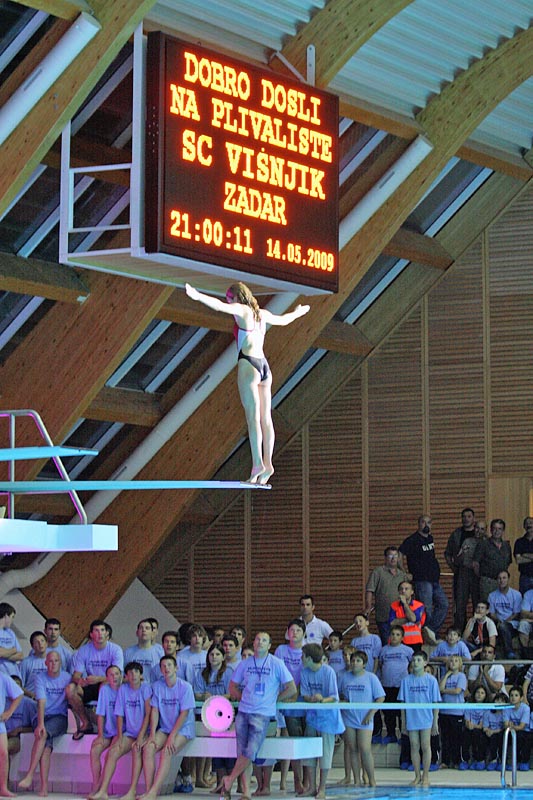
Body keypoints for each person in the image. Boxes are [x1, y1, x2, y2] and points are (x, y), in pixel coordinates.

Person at [185, 282, 310, 484]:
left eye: (230, 299)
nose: (229, 303)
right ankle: (268, 464)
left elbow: (219, 306)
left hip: (249, 365)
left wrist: (197, 296)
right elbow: (284, 320)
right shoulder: (262, 314)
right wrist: (297, 313)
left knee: (253, 419)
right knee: (266, 419)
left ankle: (257, 464)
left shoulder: (243, 311)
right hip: (264, 368)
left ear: (236, 298)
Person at [219, 631, 296, 799]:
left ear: (269, 646)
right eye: (258, 639)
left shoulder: (276, 663)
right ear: (253, 643)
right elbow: (232, 686)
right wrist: (242, 698)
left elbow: (291, 688)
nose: (260, 642)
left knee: (251, 751)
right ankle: (246, 792)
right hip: (244, 712)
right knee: (242, 752)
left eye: (264, 640)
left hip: (262, 714)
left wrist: (274, 700)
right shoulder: (245, 664)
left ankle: (229, 779)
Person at [89, 662, 151, 800]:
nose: (133, 675)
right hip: (128, 733)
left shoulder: (146, 688)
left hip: (143, 733)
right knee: (112, 752)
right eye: (130, 673)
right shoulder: (123, 689)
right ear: (126, 676)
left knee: (136, 750)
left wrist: (141, 736)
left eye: (136, 672)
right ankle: (102, 791)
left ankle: (132, 791)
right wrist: (120, 737)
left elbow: (148, 714)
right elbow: (119, 715)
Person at [139, 656, 196, 800]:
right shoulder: (157, 686)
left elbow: (184, 714)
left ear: (176, 668)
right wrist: (152, 734)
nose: (166, 668)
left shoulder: (185, 687)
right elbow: (155, 711)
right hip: (165, 728)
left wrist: (172, 736)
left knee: (166, 751)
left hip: (183, 729)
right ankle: (148, 790)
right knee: (148, 748)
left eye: (169, 665)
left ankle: (154, 791)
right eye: (163, 666)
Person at [17, 651, 71, 795]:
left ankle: (29, 775)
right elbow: (41, 701)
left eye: (56, 661)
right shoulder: (40, 678)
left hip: (59, 717)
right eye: (50, 661)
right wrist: (40, 723)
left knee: (43, 735)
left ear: (60, 662)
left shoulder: (67, 677)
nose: (53, 664)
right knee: (46, 746)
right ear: (46, 663)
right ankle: (44, 787)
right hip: (42, 715)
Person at [299, 643, 345, 799]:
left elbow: (334, 697)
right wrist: (311, 698)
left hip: (328, 718)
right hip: (312, 717)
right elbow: (305, 694)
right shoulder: (304, 672)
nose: (301, 658)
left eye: (303, 656)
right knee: (309, 752)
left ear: (309, 658)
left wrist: (321, 699)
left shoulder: (328, 671)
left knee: (325, 753)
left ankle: (322, 788)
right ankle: (311, 787)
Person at [66, 619, 124, 739]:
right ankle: (86, 722)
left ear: (107, 633)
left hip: (109, 683)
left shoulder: (115, 649)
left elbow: (117, 676)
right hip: (90, 684)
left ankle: (108, 726)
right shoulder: (84, 650)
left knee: (104, 686)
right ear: (91, 635)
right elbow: (76, 675)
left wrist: (98, 679)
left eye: (102, 630)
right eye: (96, 631)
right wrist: (80, 681)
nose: (100, 633)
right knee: (70, 689)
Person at [338, 650, 384, 787]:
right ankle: (356, 780)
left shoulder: (371, 678)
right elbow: (339, 695)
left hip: (365, 718)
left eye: (358, 661)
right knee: (352, 749)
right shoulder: (345, 677)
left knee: (365, 749)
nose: (354, 663)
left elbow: (380, 698)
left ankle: (372, 780)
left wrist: (371, 714)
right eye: (353, 660)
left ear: (364, 664)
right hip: (349, 717)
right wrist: (343, 701)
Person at [399, 515, 448, 640]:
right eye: (423, 522)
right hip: (421, 580)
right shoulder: (412, 539)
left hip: (434, 579)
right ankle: (427, 636)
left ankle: (430, 630)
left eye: (429, 522)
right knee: (427, 609)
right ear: (418, 524)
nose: (426, 525)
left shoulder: (430, 538)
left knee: (443, 604)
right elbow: (400, 554)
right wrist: (405, 573)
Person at [398, 650, 440, 787]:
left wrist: (435, 722)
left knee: (426, 746)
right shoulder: (406, 681)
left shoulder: (431, 680)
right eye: (414, 660)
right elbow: (403, 704)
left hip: (426, 718)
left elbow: (435, 703)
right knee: (414, 746)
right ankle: (417, 776)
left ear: (425, 663)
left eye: (419, 660)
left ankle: (426, 776)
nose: (415, 663)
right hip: (412, 718)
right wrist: (403, 723)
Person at [274, 619, 306, 795]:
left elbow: (307, 674)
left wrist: (296, 692)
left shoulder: (307, 650)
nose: (294, 633)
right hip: (284, 700)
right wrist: (286, 694)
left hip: (302, 700)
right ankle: (291, 780)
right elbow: (277, 674)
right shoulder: (281, 650)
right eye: (291, 630)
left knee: (302, 742)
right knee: (290, 741)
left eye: (298, 630)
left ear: (304, 633)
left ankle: (304, 781)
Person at [444, 508, 481, 632]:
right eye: (464, 516)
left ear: (473, 518)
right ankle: (459, 632)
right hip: (462, 572)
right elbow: (448, 553)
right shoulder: (456, 534)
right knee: (460, 604)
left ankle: (477, 633)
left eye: (469, 516)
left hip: (477, 574)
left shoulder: (480, 533)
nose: (466, 519)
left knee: (478, 603)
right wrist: (454, 568)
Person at [89, 664, 123, 796]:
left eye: (117, 674)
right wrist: (100, 735)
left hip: (122, 731)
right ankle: (96, 784)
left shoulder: (125, 690)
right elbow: (101, 714)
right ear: (107, 678)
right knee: (94, 750)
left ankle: (101, 788)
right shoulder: (104, 690)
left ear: (121, 676)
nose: (114, 677)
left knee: (110, 754)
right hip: (108, 732)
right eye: (111, 675)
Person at [376, 625, 413, 745]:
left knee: (402, 712)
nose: (394, 637)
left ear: (402, 637)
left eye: (397, 635)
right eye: (392, 634)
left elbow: (412, 665)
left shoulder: (408, 650)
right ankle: (391, 734)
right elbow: (381, 665)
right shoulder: (383, 650)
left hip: (401, 686)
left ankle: (404, 735)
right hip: (387, 686)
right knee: (388, 712)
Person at [365, 546, 409, 645]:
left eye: (395, 556)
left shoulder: (402, 575)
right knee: (387, 643)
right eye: (390, 556)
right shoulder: (378, 572)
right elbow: (369, 590)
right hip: (384, 615)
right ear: (385, 558)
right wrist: (368, 607)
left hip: (400, 617)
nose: (393, 558)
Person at [472, 518, 512, 601]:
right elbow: (475, 564)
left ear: (503, 531)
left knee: (501, 606)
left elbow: (508, 562)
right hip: (488, 582)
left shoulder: (506, 546)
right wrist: (483, 577)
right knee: (487, 606)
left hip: (502, 582)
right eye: (494, 528)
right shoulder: (483, 544)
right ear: (490, 530)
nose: (497, 531)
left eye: (499, 529)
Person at [438, 655, 467, 769]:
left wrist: (445, 690)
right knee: (445, 738)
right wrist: (446, 675)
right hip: (444, 711)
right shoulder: (445, 676)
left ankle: (456, 761)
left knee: (456, 738)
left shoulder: (461, 676)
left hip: (457, 712)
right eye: (451, 661)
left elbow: (457, 691)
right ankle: (445, 761)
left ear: (460, 664)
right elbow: (439, 689)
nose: (453, 663)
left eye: (456, 661)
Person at [487, 569, 522, 658]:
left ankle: (509, 652)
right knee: (499, 627)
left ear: (508, 579)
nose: (502, 580)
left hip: (512, 624)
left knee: (503, 627)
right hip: (498, 623)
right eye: (499, 578)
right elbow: (492, 614)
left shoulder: (516, 595)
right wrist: (499, 621)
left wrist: (505, 622)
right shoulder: (492, 596)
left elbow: (516, 613)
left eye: (504, 578)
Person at [0, 670, 23, 797]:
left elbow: (19, 694)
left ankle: (3, 787)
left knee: (3, 754)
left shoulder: (2, 677)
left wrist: (9, 712)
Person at [388, 580, 426, 650]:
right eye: (401, 589)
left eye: (406, 589)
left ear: (412, 592)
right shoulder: (394, 605)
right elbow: (392, 622)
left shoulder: (419, 605)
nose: (403, 591)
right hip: (398, 641)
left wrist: (405, 604)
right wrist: (409, 618)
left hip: (415, 641)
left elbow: (414, 619)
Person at [503, 685, 530, 770]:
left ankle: (523, 761)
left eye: (516, 695)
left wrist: (512, 726)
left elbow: (522, 726)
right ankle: (503, 762)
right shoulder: (506, 708)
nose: (513, 698)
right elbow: (505, 724)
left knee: (523, 737)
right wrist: (510, 726)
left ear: (521, 698)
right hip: (511, 731)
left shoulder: (525, 708)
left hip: (524, 731)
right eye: (511, 695)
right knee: (501, 736)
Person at [462, 685, 489, 770]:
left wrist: (472, 725)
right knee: (465, 735)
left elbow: (481, 725)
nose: (479, 695)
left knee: (479, 735)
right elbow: (467, 721)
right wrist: (469, 725)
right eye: (477, 692)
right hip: (470, 729)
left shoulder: (486, 708)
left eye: (482, 693)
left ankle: (480, 760)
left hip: (480, 730)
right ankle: (465, 760)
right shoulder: (468, 705)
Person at [19, 632, 49, 699]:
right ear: (32, 646)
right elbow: (18, 685)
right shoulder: (25, 663)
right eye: (37, 642)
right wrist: (31, 695)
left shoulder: (54, 662)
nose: (40, 644)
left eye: (42, 641)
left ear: (46, 643)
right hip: (29, 700)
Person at [0, 603, 23, 678]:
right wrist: (12, 650)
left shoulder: (10, 633)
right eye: (12, 617)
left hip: (14, 675)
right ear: (6, 615)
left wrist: (4, 653)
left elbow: (20, 655)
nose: (12, 620)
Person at [514, 517, 533, 595]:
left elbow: (521, 557)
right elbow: (518, 560)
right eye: (526, 523)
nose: (529, 525)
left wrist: (525, 555)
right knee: (524, 599)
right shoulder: (519, 542)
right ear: (524, 526)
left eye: (531, 523)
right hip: (525, 577)